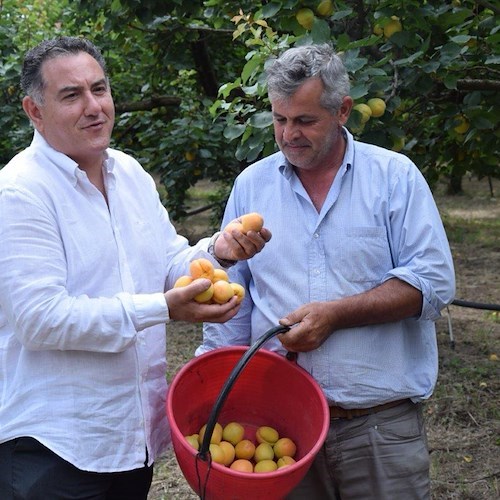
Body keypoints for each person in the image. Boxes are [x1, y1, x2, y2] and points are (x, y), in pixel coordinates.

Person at [0, 36, 271, 500]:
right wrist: (163, 308)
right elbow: (40, 319)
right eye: (72, 95)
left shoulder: (129, 174)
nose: (94, 106)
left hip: (130, 440)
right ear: (34, 110)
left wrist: (218, 252)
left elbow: (169, 261)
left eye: (99, 89)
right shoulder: (20, 192)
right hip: (54, 448)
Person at [198, 44, 455, 499]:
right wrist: (213, 391)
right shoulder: (252, 186)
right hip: (278, 430)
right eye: (279, 119)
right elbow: (232, 304)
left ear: (343, 111)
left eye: (304, 121)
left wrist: (335, 315)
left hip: (377, 426)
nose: (288, 134)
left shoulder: (394, 178)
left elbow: (433, 282)